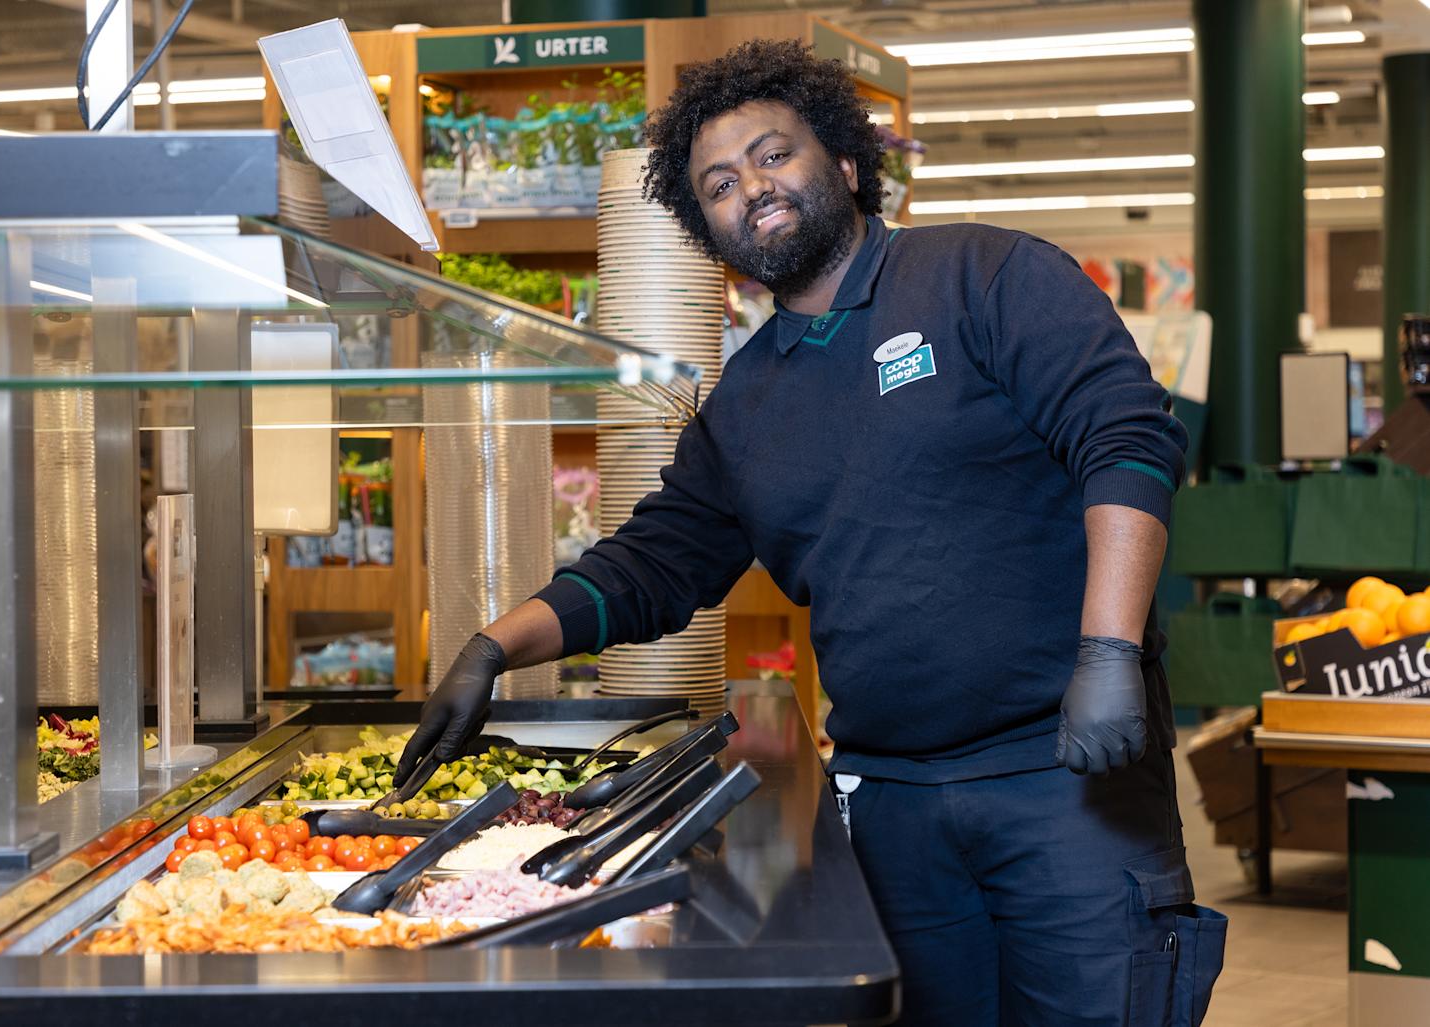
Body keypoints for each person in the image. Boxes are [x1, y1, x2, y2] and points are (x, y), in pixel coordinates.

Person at [399, 38, 1224, 1026]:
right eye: (716, 183)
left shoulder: (983, 276)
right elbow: (657, 560)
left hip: (1064, 780)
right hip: (893, 808)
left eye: (771, 154)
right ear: (704, 227)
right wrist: (496, 644)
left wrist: (1106, 648)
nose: (750, 185)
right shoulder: (746, 401)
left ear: (840, 162)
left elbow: (1125, 438)